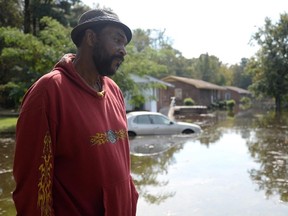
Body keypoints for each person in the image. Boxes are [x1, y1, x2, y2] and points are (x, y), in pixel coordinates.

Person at [13, 9, 138, 215]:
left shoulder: (114, 90)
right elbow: (32, 186)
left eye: (124, 44)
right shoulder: (50, 91)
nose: (123, 50)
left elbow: (123, 166)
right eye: (117, 40)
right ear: (91, 38)